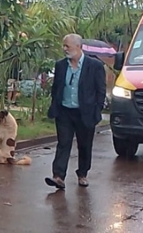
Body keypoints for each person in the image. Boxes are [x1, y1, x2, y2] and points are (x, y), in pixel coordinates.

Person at [45, 33, 106, 189]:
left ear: (78, 47)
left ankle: (82, 174)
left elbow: (101, 90)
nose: (64, 49)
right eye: (63, 46)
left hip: (85, 113)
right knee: (63, 143)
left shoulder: (95, 66)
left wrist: (96, 111)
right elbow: (56, 88)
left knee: (84, 145)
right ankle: (58, 176)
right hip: (64, 111)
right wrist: (55, 105)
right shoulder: (60, 65)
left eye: (67, 46)